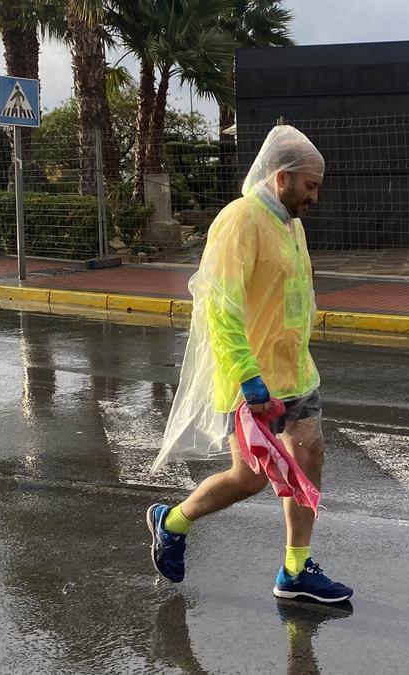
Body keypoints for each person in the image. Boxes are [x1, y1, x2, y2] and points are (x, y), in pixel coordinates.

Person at [146, 125, 353, 604]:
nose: (315, 198)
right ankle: (171, 521)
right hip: (253, 383)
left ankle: (295, 571)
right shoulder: (239, 221)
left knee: (308, 459)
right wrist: (248, 377)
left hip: (296, 372)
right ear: (282, 177)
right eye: (310, 186)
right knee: (253, 477)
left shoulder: (290, 223)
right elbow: (220, 306)